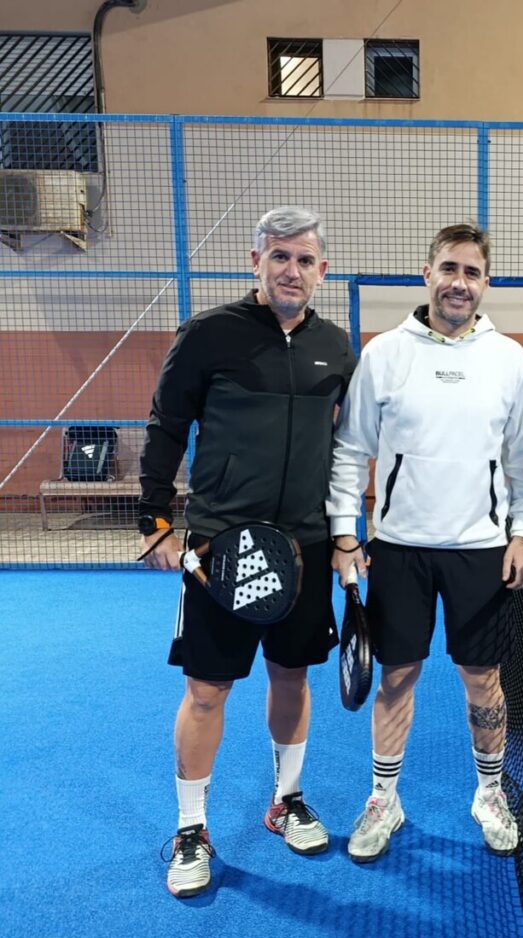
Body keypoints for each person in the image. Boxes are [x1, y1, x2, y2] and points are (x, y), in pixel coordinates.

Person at [138, 207, 358, 897]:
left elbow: (350, 446)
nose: (292, 270)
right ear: (255, 260)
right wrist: (155, 522)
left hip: (306, 546)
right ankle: (191, 828)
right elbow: (165, 425)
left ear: (322, 270)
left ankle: (286, 798)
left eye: (305, 259)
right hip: (219, 547)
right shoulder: (208, 335)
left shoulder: (338, 347)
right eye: (280, 256)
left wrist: (349, 535)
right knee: (207, 692)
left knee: (292, 677)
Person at [327, 223, 523, 863]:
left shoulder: (511, 360)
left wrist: (522, 532)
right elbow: (349, 451)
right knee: (397, 677)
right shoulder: (386, 353)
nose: (459, 282)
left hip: (481, 550)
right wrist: (345, 533)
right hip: (398, 549)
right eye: (449, 268)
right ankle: (384, 800)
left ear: (486, 283)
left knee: (485, 679)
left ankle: (490, 792)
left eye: (472, 272)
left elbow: (521, 460)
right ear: (427, 274)